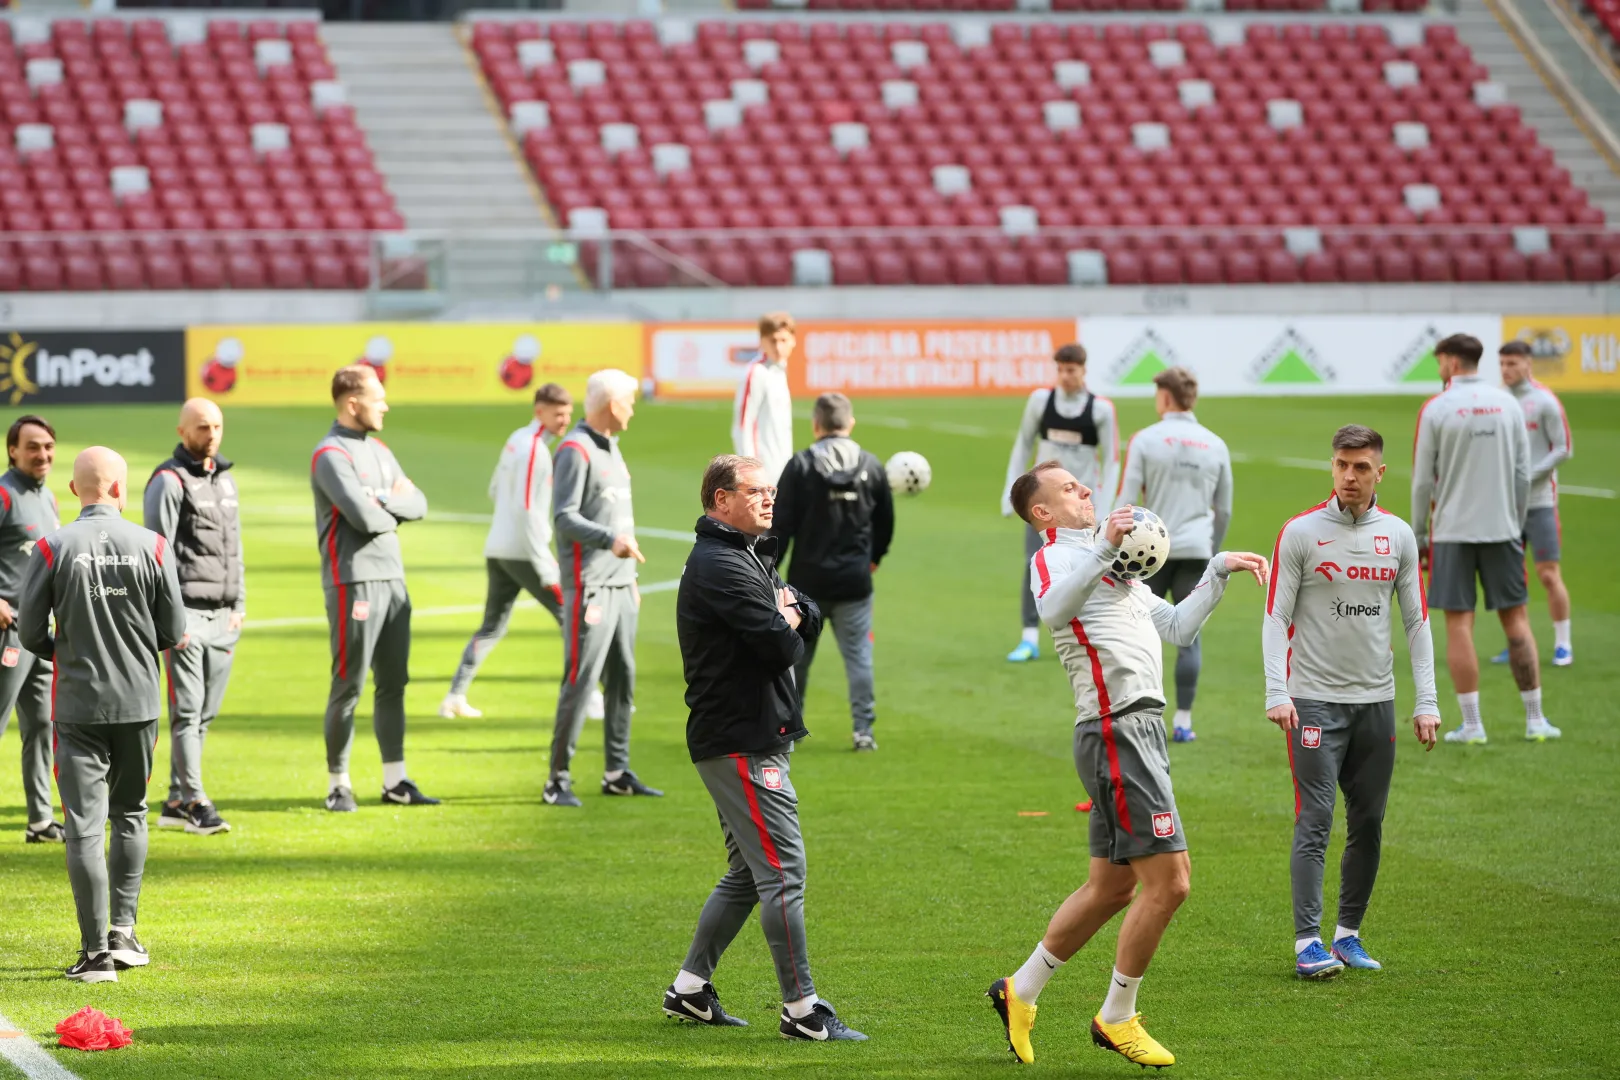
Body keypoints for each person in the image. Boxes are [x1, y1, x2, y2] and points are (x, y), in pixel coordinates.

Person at [987, 461, 1267, 1067]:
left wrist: (1217, 572)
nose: (1085, 491)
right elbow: (1056, 611)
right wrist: (1104, 549)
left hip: (1137, 730)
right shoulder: (1057, 560)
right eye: (1069, 488)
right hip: (1117, 731)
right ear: (1042, 513)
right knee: (1171, 883)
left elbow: (1177, 627)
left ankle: (1020, 989)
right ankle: (1117, 1016)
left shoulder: (1109, 561)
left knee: (1111, 887)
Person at [665, 453, 866, 1042]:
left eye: (770, 491)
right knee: (783, 871)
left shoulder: (748, 554)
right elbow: (783, 647)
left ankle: (689, 990)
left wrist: (790, 613)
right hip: (740, 738)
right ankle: (802, 1011)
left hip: (749, 734)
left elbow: (805, 617)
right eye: (755, 491)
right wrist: (788, 615)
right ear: (720, 500)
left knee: (750, 874)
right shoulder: (720, 565)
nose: (768, 500)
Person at [1262, 425, 1440, 980]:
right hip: (1313, 701)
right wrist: (1276, 691)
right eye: (1342, 465)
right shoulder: (1301, 533)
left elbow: (1416, 621)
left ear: (1379, 472)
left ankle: (1347, 935)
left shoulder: (1399, 536)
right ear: (1332, 466)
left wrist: (1426, 701)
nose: (1350, 476)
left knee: (1369, 821)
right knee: (1315, 818)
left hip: (1376, 703)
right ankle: (1307, 943)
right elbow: (1275, 618)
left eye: (1361, 467)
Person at [19, 446, 185, 983]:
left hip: (77, 705)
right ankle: (125, 934)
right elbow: (173, 630)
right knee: (131, 812)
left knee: (84, 828)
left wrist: (62, 652)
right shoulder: (154, 546)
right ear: (119, 488)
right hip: (138, 702)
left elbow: (26, 633)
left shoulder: (52, 546)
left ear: (75, 491)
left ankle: (94, 956)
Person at [1412, 334, 1555, 744]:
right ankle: (1535, 719)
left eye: (1440, 361)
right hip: (1503, 527)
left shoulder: (1437, 408)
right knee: (1517, 619)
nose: (1440, 368)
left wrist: (1420, 530)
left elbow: (1423, 480)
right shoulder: (1508, 404)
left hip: (1454, 531)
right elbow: (1523, 473)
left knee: (1460, 625)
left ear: (1452, 363)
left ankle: (1472, 725)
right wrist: (1514, 517)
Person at [312, 365, 439, 812]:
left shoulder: (380, 450)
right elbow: (362, 519)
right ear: (352, 403)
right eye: (377, 398)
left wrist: (380, 499)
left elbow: (419, 503)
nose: (385, 405)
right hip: (354, 581)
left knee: (393, 683)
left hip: (393, 579)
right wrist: (390, 502)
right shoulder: (330, 455)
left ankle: (395, 780)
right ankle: (338, 783)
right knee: (348, 684)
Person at [543, 368, 661, 807]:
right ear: (612, 405)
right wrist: (609, 541)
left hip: (621, 586)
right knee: (581, 679)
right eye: (629, 401)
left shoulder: (612, 448)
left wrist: (629, 579)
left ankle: (616, 771)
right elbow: (564, 517)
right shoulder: (574, 450)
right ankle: (557, 779)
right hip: (589, 585)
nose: (633, 409)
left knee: (623, 676)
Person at [440, 383, 593, 720]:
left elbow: (495, 488)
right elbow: (526, 509)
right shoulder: (535, 450)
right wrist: (544, 563)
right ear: (539, 410)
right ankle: (590, 697)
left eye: (568, 414)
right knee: (573, 621)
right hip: (524, 553)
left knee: (492, 626)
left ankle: (454, 695)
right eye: (558, 414)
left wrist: (507, 525)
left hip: (498, 547)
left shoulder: (516, 439)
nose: (564, 420)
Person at [770, 392, 894, 751]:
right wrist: (874, 558)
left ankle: (789, 729)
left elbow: (781, 526)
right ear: (850, 424)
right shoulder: (871, 465)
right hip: (855, 580)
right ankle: (863, 731)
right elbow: (885, 522)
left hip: (806, 584)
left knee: (796, 658)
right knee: (858, 657)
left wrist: (770, 572)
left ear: (816, 424)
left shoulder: (801, 465)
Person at [1114, 366, 1233, 743]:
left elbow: (1126, 499)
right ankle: (1182, 720)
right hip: (1197, 550)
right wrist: (1211, 548)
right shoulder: (1215, 443)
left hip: (1146, 554)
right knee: (1189, 637)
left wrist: (1110, 548)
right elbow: (1225, 508)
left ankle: (1134, 716)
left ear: (1165, 397)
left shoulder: (1146, 440)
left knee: (1131, 632)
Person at [145, 398, 242, 837]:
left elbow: (234, 547)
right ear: (182, 431)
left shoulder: (225, 479)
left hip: (224, 616)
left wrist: (239, 604)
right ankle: (197, 801)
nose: (212, 434)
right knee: (187, 713)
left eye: (217, 426)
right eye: (203, 427)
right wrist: (170, 620)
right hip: (187, 615)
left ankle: (175, 799)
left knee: (205, 715)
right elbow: (157, 554)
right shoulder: (167, 481)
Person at [1001, 343, 1119, 663]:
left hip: (1082, 507)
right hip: (1044, 503)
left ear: (1084, 370)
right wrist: (1009, 493)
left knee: (1092, 566)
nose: (1066, 376)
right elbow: (1023, 444)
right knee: (1034, 563)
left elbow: (1111, 461)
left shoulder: (1100, 410)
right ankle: (1028, 638)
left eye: (1072, 370)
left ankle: (1095, 632)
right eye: (1061, 369)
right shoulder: (1041, 402)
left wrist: (1104, 507)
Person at [1491, 340, 1574, 668]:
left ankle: (1563, 644)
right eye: (1502, 364)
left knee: (1549, 574)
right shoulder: (1496, 401)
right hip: (1506, 505)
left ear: (1528, 364)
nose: (1506, 370)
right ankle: (1517, 643)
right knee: (1511, 577)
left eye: (1512, 363)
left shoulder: (1544, 401)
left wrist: (1528, 476)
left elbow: (1564, 447)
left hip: (1539, 502)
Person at [0, 415, 62, 843]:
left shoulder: (50, 499)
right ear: (13, 451)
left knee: (41, 724)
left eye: (48, 447)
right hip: (7, 632)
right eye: (33, 446)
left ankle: (40, 820)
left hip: (41, 635)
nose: (43, 454)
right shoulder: (4, 494)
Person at [731, 312, 796, 485]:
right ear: (762, 341)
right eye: (773, 340)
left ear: (793, 340)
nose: (778, 346)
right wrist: (750, 474)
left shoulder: (779, 372)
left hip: (782, 471)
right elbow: (743, 425)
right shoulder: (757, 372)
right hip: (763, 476)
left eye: (783, 340)